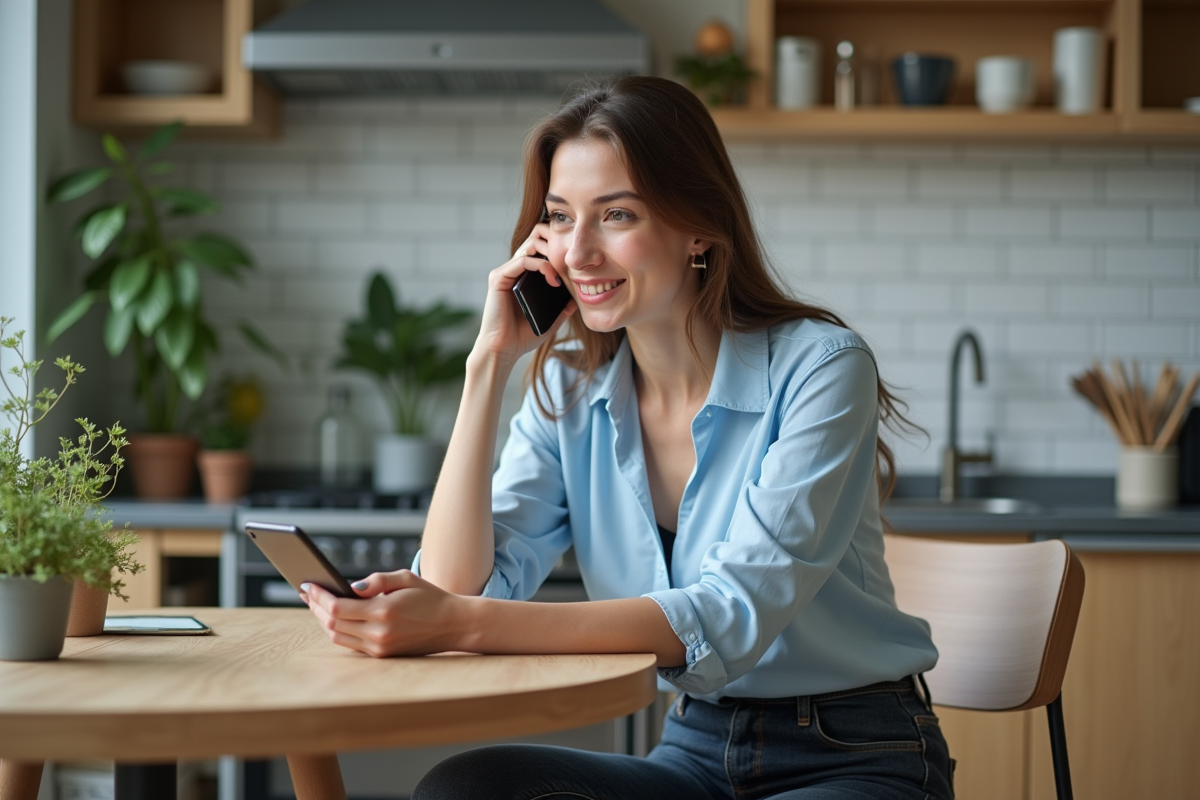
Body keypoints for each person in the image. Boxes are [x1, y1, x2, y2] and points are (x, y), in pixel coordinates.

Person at [300, 76, 954, 800]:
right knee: (468, 788)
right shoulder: (570, 385)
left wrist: (466, 621)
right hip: (696, 748)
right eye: (558, 217)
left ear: (699, 224)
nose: (577, 253)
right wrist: (488, 366)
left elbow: (727, 618)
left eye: (615, 215)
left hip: (855, 749)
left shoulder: (822, 368)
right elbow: (457, 587)